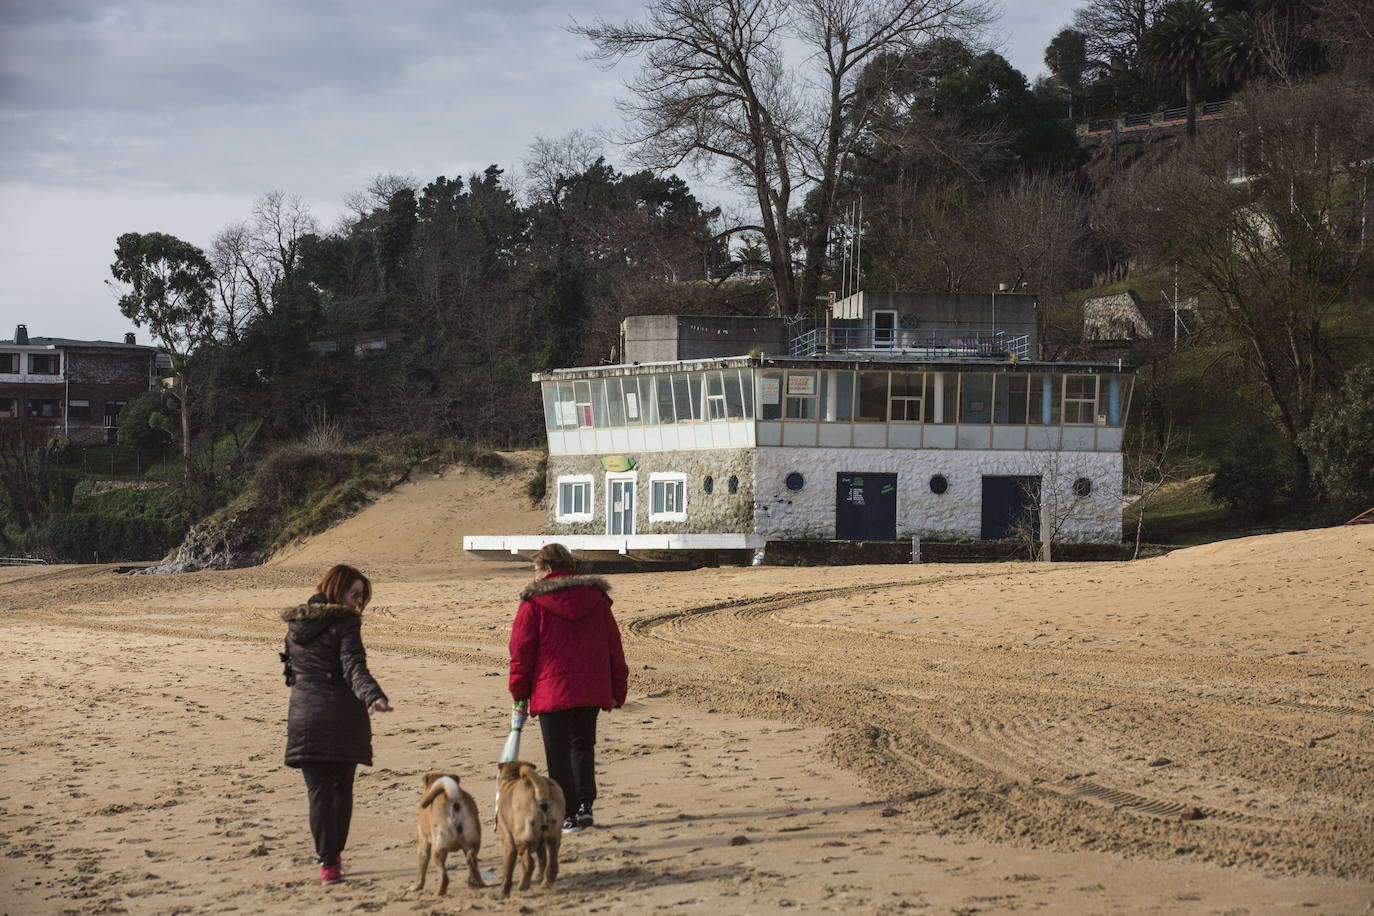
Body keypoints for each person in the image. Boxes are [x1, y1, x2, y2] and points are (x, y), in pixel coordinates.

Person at [281, 564, 391, 886]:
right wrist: (373, 697)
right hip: (342, 715)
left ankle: (327, 863)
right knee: (340, 790)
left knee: (319, 791)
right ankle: (334, 860)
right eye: (354, 594)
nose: (357, 602)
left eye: (361, 597)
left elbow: (290, 671)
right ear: (336, 589)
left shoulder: (296, 624)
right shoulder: (345, 622)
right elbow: (353, 667)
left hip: (304, 717)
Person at [508, 543, 628, 833]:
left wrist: (518, 690)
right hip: (589, 687)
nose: (534, 576)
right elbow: (614, 645)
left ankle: (569, 812)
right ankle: (585, 806)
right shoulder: (596, 598)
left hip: (552, 689)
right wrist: (617, 685)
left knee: (558, 753)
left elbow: (521, 651)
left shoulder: (533, 602)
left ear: (548, 569)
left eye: (536, 569)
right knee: (583, 747)